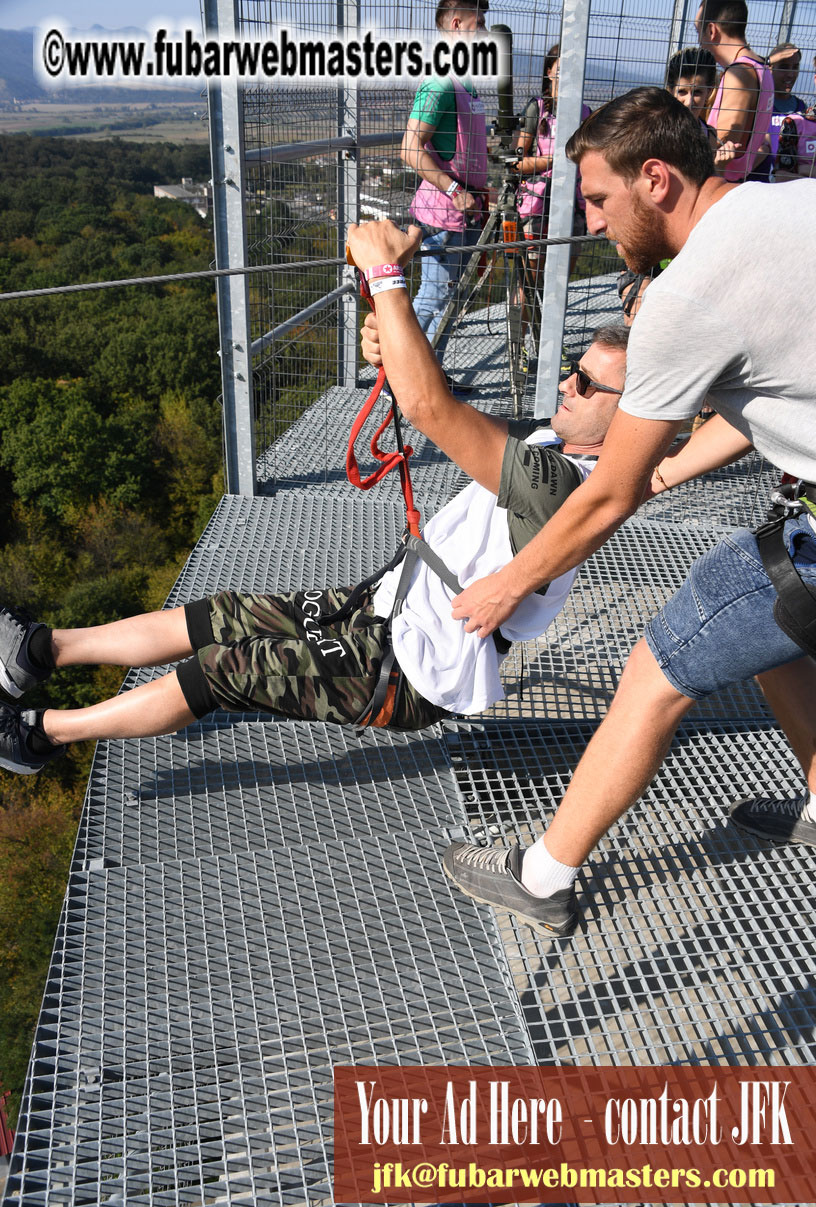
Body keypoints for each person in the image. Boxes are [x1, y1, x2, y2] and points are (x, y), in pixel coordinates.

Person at [424, 86, 816, 937]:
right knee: (778, 636)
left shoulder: (690, 294)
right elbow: (780, 383)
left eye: (599, 199)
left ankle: (543, 874)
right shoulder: (789, 205)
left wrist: (508, 584)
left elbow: (609, 492)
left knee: (659, 666)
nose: (594, 223)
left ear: (656, 179)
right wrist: (670, 467)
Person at [0, 290, 629, 776]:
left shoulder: (559, 485)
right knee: (222, 616)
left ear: (629, 412)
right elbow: (437, 398)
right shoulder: (562, 446)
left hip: (408, 665)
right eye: (575, 369)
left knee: (228, 668)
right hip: (389, 609)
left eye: (590, 383)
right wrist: (397, 346)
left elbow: (431, 408)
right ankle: (41, 651)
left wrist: (389, 285)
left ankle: (41, 734)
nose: (569, 384)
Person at [400, 0, 490, 378]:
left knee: (449, 298)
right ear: (457, 23)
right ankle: (405, 380)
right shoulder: (439, 81)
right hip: (444, 213)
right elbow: (408, 147)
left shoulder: (465, 79)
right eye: (480, 22)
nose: (486, 32)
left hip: (465, 212)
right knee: (433, 297)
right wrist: (455, 189)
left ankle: (432, 377)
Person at [617, 47, 717, 325]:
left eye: (697, 92)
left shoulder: (708, 135)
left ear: (709, 91)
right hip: (650, 228)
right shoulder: (655, 132)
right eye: (682, 92)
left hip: (686, 234)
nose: (689, 100)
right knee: (637, 311)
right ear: (670, 91)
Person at [515, 43, 591, 277]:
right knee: (530, 280)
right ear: (549, 71)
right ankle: (524, 315)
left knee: (561, 278)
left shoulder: (584, 113)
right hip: (536, 205)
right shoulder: (536, 109)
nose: (567, 74)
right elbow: (517, 162)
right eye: (561, 67)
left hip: (572, 207)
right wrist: (555, 161)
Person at [695, 0, 773, 181]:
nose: (699, 41)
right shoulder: (760, 67)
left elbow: (724, 142)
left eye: (698, 31)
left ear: (712, 31)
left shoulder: (740, 73)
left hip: (722, 182)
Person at [751, 42, 808, 180]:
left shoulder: (802, 110)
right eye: (783, 67)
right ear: (770, 68)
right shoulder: (757, 105)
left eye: (795, 67)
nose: (790, 74)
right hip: (756, 188)